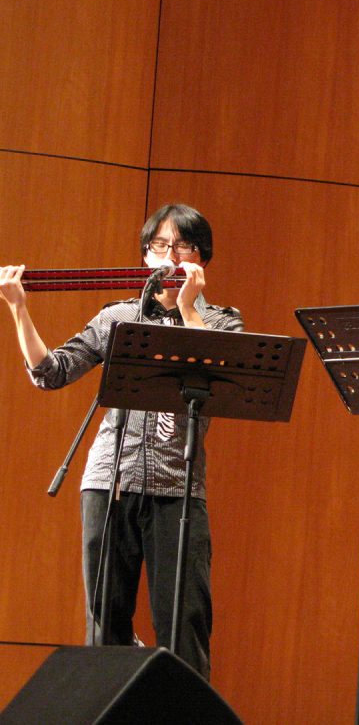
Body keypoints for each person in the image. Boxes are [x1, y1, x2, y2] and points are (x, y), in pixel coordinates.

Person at [0, 203, 243, 680]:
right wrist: (18, 307)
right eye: (159, 245)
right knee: (105, 626)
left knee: (185, 624)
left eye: (182, 245)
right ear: (145, 255)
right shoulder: (119, 315)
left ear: (202, 256)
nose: (170, 255)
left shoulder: (222, 321)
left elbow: (215, 377)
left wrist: (188, 309)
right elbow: (51, 373)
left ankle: (181, 711)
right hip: (109, 480)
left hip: (178, 487)